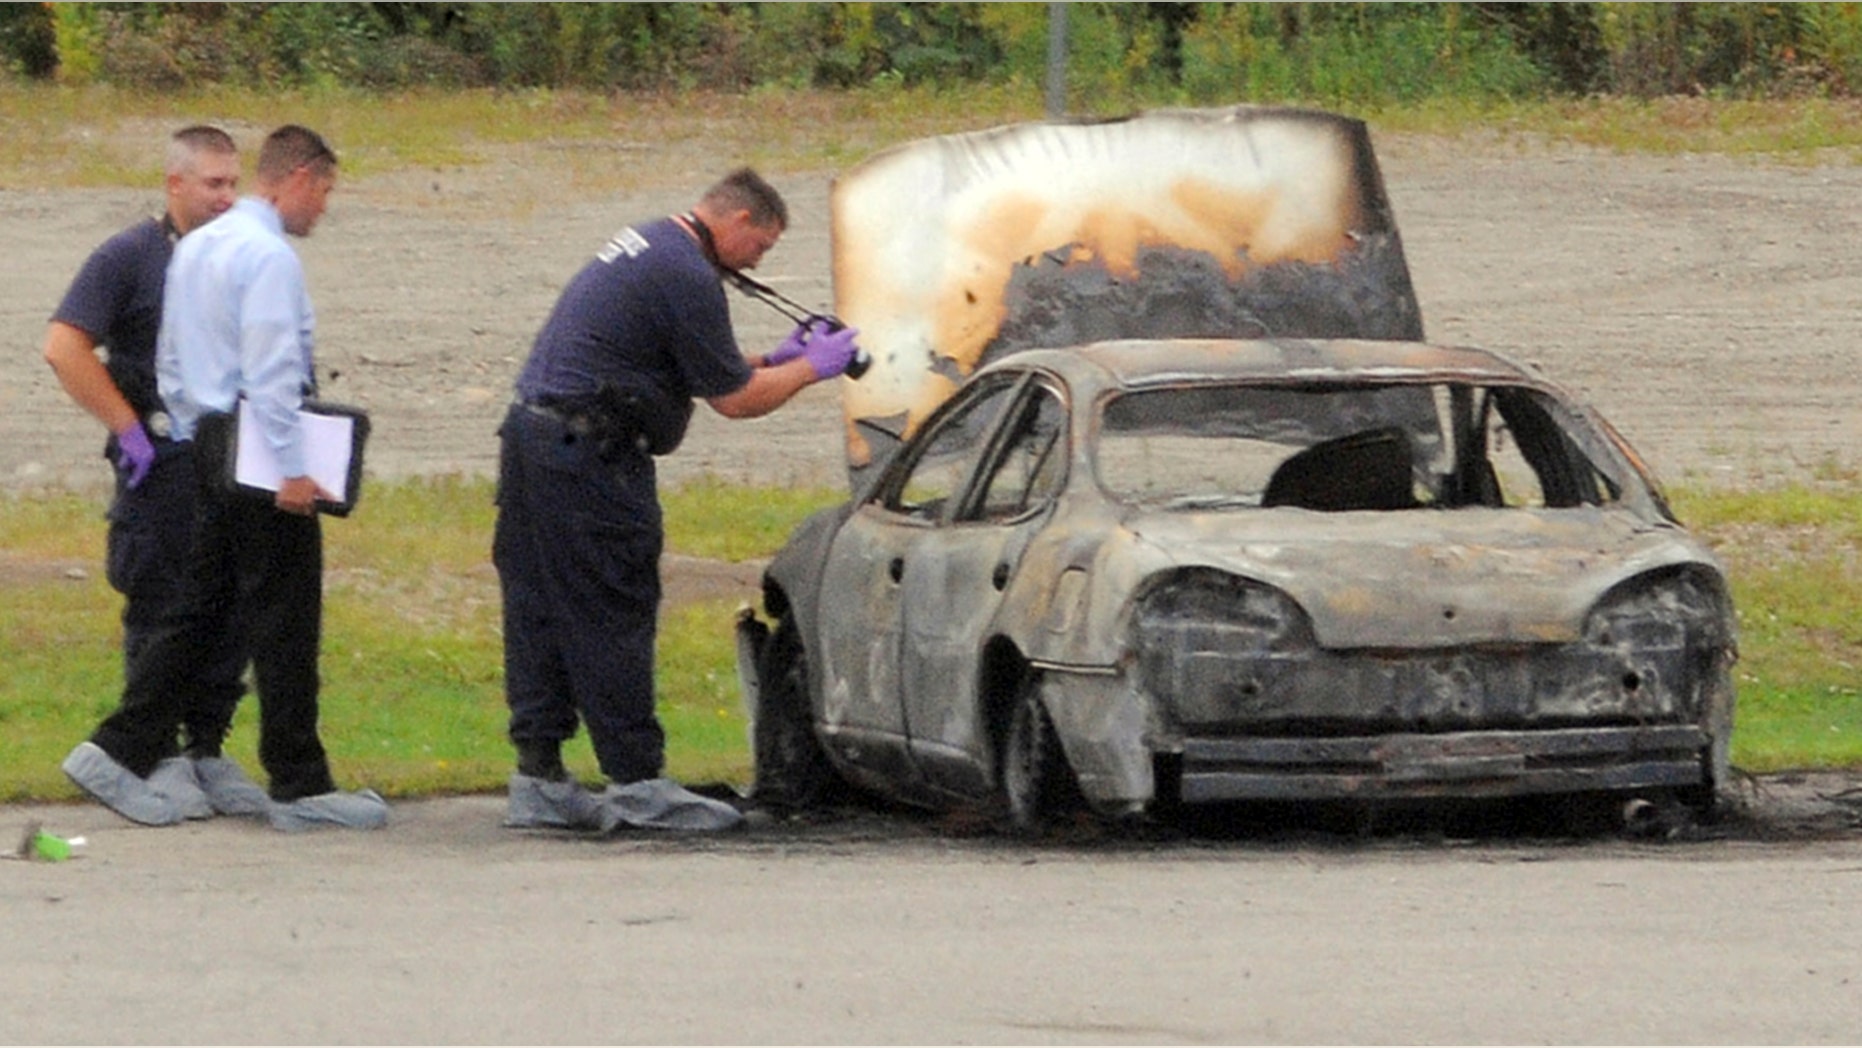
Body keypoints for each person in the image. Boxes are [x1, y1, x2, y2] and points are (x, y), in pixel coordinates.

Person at [495, 167, 861, 833]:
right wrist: (813, 369)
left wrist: (774, 358)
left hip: (533, 443)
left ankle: (539, 778)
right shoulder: (688, 275)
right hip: (591, 459)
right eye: (763, 247)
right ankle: (638, 784)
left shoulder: (650, 246)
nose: (758, 261)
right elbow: (734, 401)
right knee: (613, 613)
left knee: (541, 612)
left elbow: (695, 363)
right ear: (739, 221)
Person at [148, 123, 386, 832]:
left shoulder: (195, 247)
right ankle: (299, 783)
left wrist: (195, 439)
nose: (323, 209)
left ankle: (123, 743)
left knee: (202, 610)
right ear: (300, 178)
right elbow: (274, 370)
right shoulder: (268, 257)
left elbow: (172, 357)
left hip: (207, 447)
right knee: (286, 620)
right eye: (325, 192)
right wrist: (292, 468)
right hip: (260, 456)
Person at [51, 125, 268, 827]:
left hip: (228, 459)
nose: (227, 197)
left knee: (231, 603)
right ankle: (155, 754)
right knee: (165, 603)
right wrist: (127, 428)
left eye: (234, 184)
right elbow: (64, 346)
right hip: (162, 464)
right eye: (213, 184)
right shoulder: (129, 256)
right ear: (175, 184)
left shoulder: (236, 258)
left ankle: (206, 745)